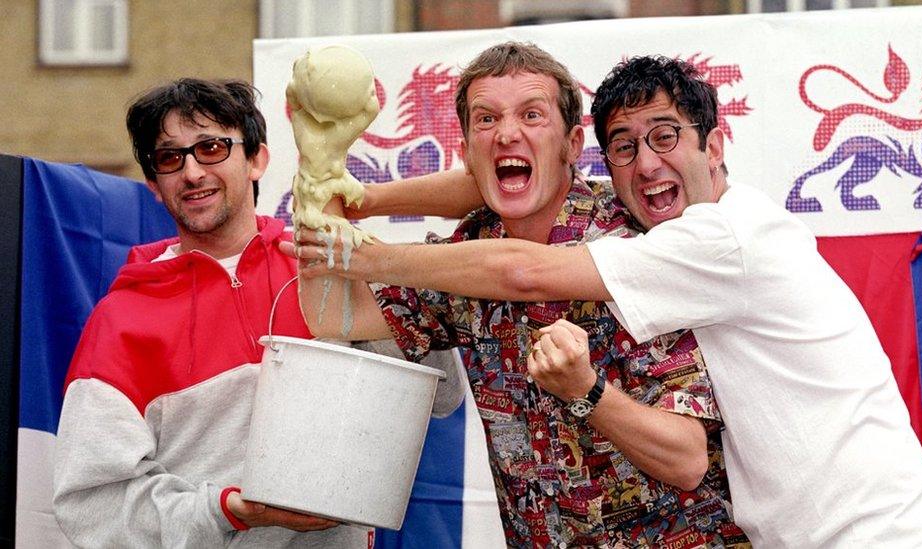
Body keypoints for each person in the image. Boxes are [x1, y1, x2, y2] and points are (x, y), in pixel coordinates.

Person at [308, 55, 922, 547]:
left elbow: (525, 273)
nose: (647, 165)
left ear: (716, 144)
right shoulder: (473, 248)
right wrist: (334, 187)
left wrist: (364, 250)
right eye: (628, 146)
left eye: (666, 138)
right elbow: (336, 315)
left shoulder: (665, 240)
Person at [293, 43, 749, 547]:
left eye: (532, 114)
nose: (508, 133)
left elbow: (686, 460)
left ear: (573, 144)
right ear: (467, 153)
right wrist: (320, 163)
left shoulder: (637, 240)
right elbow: (336, 316)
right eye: (486, 119)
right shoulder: (468, 250)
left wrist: (586, 392)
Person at [51, 78, 374, 548]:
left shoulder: (328, 269)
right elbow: (91, 505)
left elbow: (435, 393)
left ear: (258, 159)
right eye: (170, 158)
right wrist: (223, 510)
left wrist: (399, 279)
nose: (192, 172)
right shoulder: (120, 319)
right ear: (154, 187)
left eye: (211, 147)